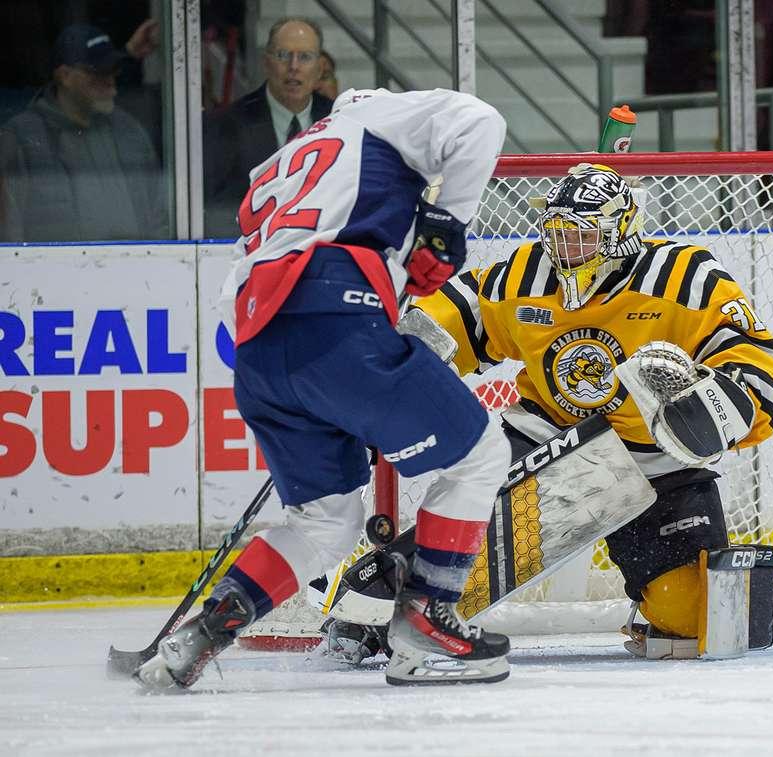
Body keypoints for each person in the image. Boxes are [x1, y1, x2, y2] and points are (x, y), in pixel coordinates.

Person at [134, 87, 510, 691]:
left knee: (324, 524)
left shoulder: (273, 171)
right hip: (339, 320)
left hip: (259, 356)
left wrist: (324, 370)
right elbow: (480, 118)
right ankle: (425, 617)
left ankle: (200, 634)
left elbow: (240, 298)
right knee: (481, 456)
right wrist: (445, 223)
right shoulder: (378, 116)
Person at [403, 163, 773, 656]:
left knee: (695, 620)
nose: (564, 249)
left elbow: (759, 362)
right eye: (558, 234)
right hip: (549, 443)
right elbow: (462, 315)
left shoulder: (685, 277)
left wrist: (717, 408)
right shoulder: (526, 272)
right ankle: (382, 606)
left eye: (581, 236)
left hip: (658, 462)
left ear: (619, 234)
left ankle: (654, 608)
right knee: (448, 567)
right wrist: (414, 343)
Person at [0, 23, 166, 242]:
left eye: (114, 69)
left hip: (138, 271)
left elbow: (160, 217)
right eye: (98, 71)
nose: (110, 81)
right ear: (65, 75)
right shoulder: (20, 139)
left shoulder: (129, 131)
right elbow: (8, 239)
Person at [203, 17, 334, 236]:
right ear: (266, 62)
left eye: (305, 57)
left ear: (320, 68)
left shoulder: (338, 119)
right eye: (283, 55)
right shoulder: (227, 124)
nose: (294, 67)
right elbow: (217, 210)